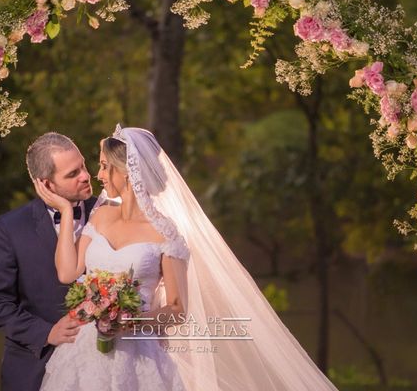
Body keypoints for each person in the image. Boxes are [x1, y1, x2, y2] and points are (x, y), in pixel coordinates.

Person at [38, 125, 338, 391]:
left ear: (126, 170)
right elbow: (67, 273)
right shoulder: (100, 216)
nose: (98, 174)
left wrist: (129, 322)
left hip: (138, 356)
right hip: (83, 352)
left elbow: (178, 310)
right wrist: (65, 212)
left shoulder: (165, 232)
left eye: (104, 166)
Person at [0, 132, 102, 391]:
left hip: (105, 364)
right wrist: (46, 333)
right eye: (72, 174)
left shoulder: (110, 214)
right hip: (35, 369)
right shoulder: (11, 228)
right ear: (46, 185)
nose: (85, 175)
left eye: (82, 165)